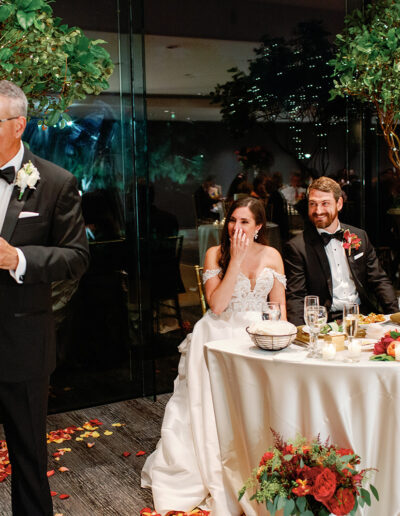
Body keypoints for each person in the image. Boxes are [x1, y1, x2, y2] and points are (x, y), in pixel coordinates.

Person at [141, 197, 286, 515]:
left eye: (245, 222)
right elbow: (217, 305)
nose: (236, 226)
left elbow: (279, 309)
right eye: (233, 220)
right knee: (211, 408)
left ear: (259, 226)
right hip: (218, 335)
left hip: (258, 336)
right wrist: (236, 259)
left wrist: (280, 340)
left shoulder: (273, 256)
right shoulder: (215, 254)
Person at [0, 80, 89, 515]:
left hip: (23, 347)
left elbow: (76, 257)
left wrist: (18, 258)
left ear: (18, 125)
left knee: (29, 459)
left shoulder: (56, 182)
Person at [284, 176, 398, 326]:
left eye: (325, 203)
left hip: (362, 317)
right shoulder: (297, 247)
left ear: (339, 204)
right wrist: (299, 334)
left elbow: (379, 280)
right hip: (326, 321)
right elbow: (296, 296)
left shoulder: (360, 236)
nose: (318, 211)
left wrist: (396, 317)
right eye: (313, 204)